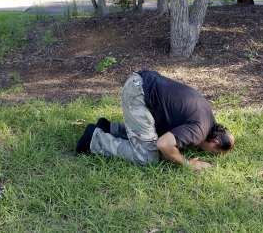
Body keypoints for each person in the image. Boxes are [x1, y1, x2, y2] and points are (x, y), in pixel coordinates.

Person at [76, 70, 234, 171]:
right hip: (138, 93)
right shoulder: (199, 131)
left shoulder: (207, 116)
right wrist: (187, 164)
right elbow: (164, 144)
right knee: (147, 157)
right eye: (213, 152)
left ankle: (110, 128)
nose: (204, 152)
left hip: (144, 83)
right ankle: (94, 139)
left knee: (156, 137)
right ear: (215, 141)